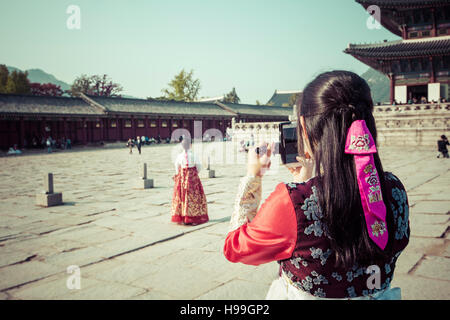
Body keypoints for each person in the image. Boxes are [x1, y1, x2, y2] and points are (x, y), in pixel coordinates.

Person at [223, 70, 410, 300]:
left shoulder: (293, 202)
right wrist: (304, 183)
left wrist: (253, 177)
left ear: (304, 125)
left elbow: (236, 247)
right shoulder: (395, 190)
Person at [171, 137, 209, 225]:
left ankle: (183, 216)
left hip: (182, 179)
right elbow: (199, 166)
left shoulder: (179, 156)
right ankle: (192, 216)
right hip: (192, 178)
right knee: (193, 196)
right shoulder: (194, 155)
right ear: (190, 145)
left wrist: (179, 174)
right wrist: (194, 173)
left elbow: (176, 167)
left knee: (182, 196)